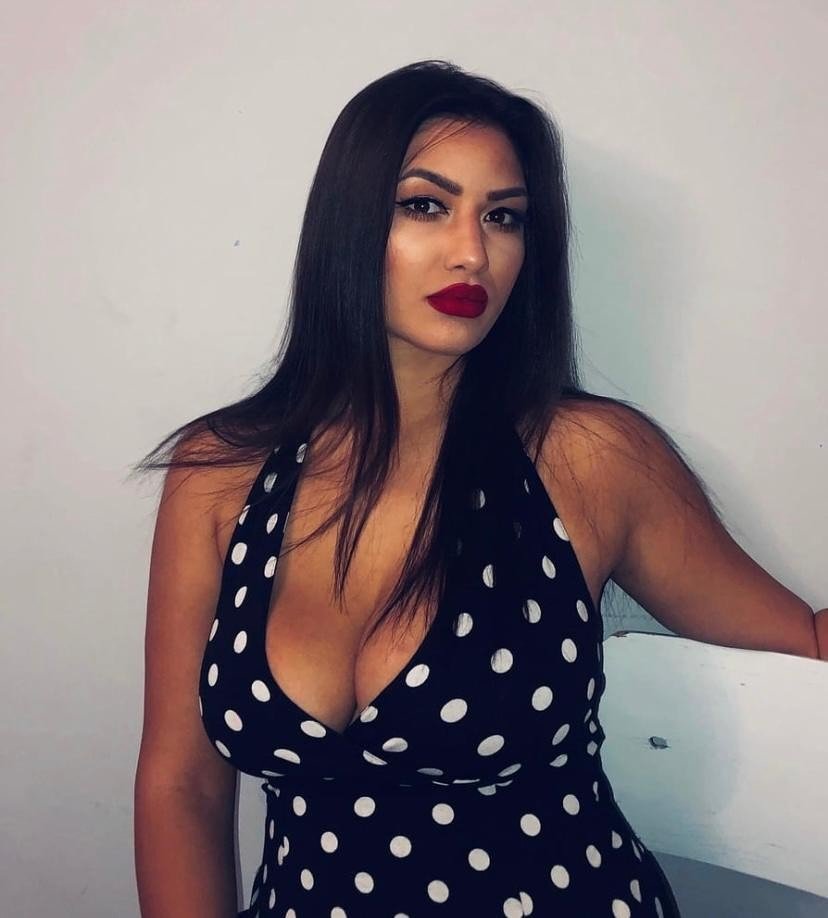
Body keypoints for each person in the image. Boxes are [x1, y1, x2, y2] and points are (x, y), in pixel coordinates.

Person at [133, 59, 824, 918]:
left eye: (503, 217)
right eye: (426, 205)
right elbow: (181, 783)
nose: (472, 251)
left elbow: (804, 639)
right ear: (350, 222)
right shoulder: (221, 473)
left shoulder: (591, 459)